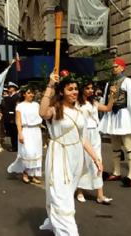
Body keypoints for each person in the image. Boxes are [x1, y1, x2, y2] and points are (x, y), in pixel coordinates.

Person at [39, 72, 103, 236]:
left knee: (66, 194)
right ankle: (68, 232)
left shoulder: (79, 112)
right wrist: (50, 85)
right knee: (62, 197)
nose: (74, 92)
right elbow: (42, 112)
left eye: (76, 89)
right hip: (59, 155)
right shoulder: (55, 110)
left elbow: (83, 139)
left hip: (76, 158)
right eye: (70, 89)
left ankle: (55, 222)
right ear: (62, 92)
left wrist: (96, 157)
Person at [99, 57, 131, 187]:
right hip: (112, 116)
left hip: (123, 115)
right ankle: (116, 172)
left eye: (116, 66)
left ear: (122, 67)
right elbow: (105, 99)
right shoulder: (108, 83)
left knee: (128, 146)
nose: (113, 68)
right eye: (113, 66)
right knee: (114, 146)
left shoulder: (128, 82)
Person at [76, 79, 116, 204]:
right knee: (83, 162)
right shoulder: (76, 103)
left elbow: (108, 108)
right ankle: (80, 191)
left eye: (91, 88)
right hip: (83, 134)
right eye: (87, 88)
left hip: (95, 134)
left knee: (98, 161)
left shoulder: (94, 102)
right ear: (82, 89)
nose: (90, 90)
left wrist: (112, 96)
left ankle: (100, 195)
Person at [7, 85, 43, 184]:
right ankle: (26, 173)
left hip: (36, 131)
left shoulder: (36, 104)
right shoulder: (20, 106)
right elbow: (18, 120)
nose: (31, 94)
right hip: (26, 130)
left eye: (32, 93)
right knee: (28, 153)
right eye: (29, 93)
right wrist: (20, 133)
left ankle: (35, 175)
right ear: (24, 94)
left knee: (36, 153)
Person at [1, 82, 19, 152]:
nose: (8, 89)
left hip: (13, 117)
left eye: (10, 88)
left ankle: (15, 147)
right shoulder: (9, 97)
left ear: (14, 88)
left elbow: (16, 109)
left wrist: (12, 118)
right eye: (8, 88)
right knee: (12, 133)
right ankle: (14, 146)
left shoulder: (17, 97)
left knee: (15, 133)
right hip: (8, 117)